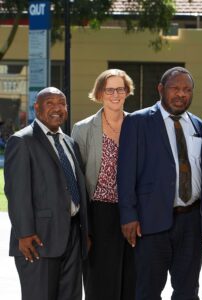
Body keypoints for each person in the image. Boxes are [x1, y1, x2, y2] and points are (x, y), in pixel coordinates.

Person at [117, 67, 202, 299]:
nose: (181, 94)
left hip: (191, 222)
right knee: (148, 290)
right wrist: (128, 215)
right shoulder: (137, 122)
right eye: (175, 88)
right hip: (150, 221)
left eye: (187, 89)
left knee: (188, 290)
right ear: (160, 89)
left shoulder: (199, 126)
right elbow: (125, 173)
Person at [4, 87, 90, 300]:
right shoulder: (22, 141)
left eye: (61, 103)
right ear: (37, 108)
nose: (57, 108)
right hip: (37, 240)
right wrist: (24, 233)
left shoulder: (70, 143)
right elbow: (16, 192)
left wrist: (85, 230)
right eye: (50, 103)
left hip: (72, 237)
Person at [72, 69, 136, 300]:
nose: (115, 94)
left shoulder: (139, 125)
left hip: (133, 214)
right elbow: (77, 182)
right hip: (99, 215)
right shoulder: (83, 129)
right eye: (110, 89)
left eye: (120, 89)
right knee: (100, 281)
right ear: (100, 93)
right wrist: (84, 226)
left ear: (127, 92)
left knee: (132, 280)